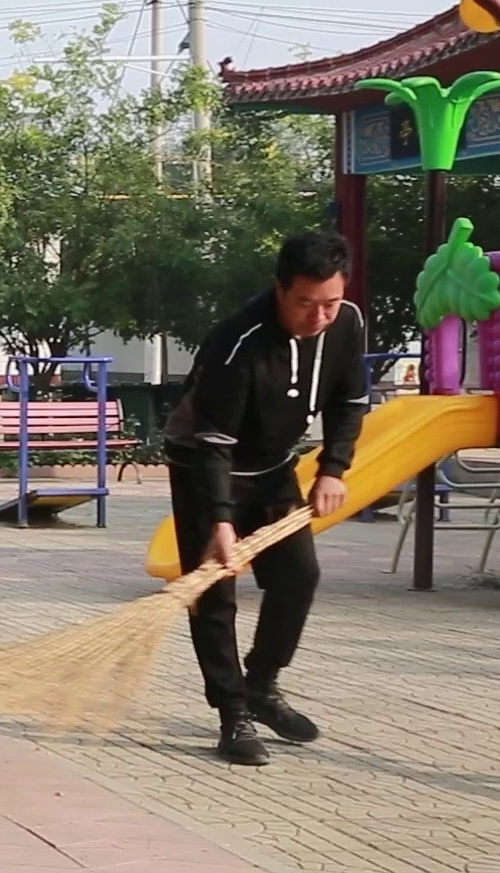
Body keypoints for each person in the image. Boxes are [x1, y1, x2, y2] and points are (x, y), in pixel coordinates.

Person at [163, 231, 367, 765]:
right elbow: (213, 443)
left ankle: (261, 684)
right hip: (205, 467)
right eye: (305, 303)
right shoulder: (237, 343)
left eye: (330, 302)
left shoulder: (348, 323)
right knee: (215, 592)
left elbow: (349, 400)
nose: (319, 316)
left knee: (298, 576)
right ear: (280, 290)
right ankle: (233, 713)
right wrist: (221, 522)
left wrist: (333, 469)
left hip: (274, 468)